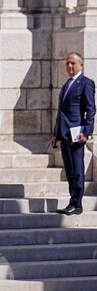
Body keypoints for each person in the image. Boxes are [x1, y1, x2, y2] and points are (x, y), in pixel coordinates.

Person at [51, 52, 95, 215]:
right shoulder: (66, 85)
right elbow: (61, 112)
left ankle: (77, 203)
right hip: (64, 133)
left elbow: (91, 110)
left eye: (73, 63)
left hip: (77, 134)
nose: (69, 66)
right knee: (69, 169)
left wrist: (87, 132)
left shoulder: (86, 83)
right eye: (68, 63)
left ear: (81, 65)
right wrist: (56, 134)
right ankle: (73, 200)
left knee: (77, 169)